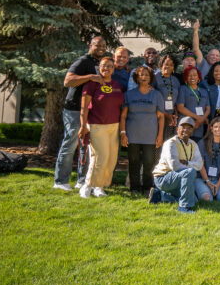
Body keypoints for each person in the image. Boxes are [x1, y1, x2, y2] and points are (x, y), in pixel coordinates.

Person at [54, 35, 107, 191]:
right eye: (98, 45)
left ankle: (82, 180)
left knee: (85, 145)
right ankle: (60, 181)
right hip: (74, 109)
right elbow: (68, 81)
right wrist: (90, 77)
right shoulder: (83, 61)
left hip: (90, 109)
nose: (101, 48)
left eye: (103, 46)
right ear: (90, 46)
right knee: (71, 143)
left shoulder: (99, 62)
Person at [78, 55, 125, 198]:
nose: (107, 69)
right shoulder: (92, 84)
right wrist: (83, 126)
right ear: (99, 67)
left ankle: (99, 186)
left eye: (110, 66)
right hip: (97, 125)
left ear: (113, 69)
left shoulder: (117, 85)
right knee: (99, 157)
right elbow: (84, 107)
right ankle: (87, 185)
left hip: (114, 126)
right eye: (104, 66)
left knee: (111, 159)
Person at [120, 65, 165, 193]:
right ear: (136, 78)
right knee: (133, 161)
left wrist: (160, 135)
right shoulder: (129, 94)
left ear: (151, 78)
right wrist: (123, 133)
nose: (144, 77)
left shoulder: (156, 95)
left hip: (150, 135)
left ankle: (147, 187)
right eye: (141, 75)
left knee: (149, 162)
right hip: (132, 134)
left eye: (147, 75)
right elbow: (123, 116)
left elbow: (161, 117)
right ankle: (134, 187)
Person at [148, 117, 202, 213]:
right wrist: (190, 168)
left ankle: (160, 195)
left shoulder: (194, 144)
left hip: (179, 177)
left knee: (194, 200)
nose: (185, 130)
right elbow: (175, 166)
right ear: (177, 129)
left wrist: (188, 163)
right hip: (163, 177)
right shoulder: (171, 143)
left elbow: (200, 165)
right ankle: (184, 208)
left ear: (192, 131)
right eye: (183, 127)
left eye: (189, 128)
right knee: (190, 172)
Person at [196, 117, 220, 201]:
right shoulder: (202, 143)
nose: (218, 129)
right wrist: (207, 182)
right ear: (211, 129)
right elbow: (201, 166)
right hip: (202, 179)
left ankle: (217, 190)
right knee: (207, 199)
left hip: (218, 179)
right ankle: (204, 190)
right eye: (215, 127)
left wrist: (218, 185)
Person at [177, 66, 210, 142]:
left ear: (198, 77)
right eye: (189, 75)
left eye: (195, 75)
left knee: (196, 146)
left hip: (199, 126)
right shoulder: (183, 89)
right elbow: (180, 108)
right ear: (186, 77)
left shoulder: (204, 91)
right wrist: (198, 118)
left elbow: (208, 109)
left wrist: (201, 120)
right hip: (186, 125)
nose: (192, 77)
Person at [154, 54, 182, 140]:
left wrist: (175, 115)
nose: (168, 66)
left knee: (168, 142)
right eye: (166, 64)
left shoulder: (175, 80)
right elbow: (152, 98)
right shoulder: (155, 78)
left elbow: (176, 101)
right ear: (161, 64)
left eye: (171, 65)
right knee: (158, 141)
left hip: (171, 117)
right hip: (158, 116)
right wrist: (166, 115)